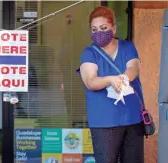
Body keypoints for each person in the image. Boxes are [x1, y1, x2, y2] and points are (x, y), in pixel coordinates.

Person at [79, 6, 144, 163]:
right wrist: (109, 79)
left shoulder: (127, 47)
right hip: (104, 122)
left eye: (103, 28)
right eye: (94, 29)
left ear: (113, 28)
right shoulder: (90, 53)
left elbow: (133, 68)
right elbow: (90, 81)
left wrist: (122, 79)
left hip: (132, 118)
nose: (98, 33)